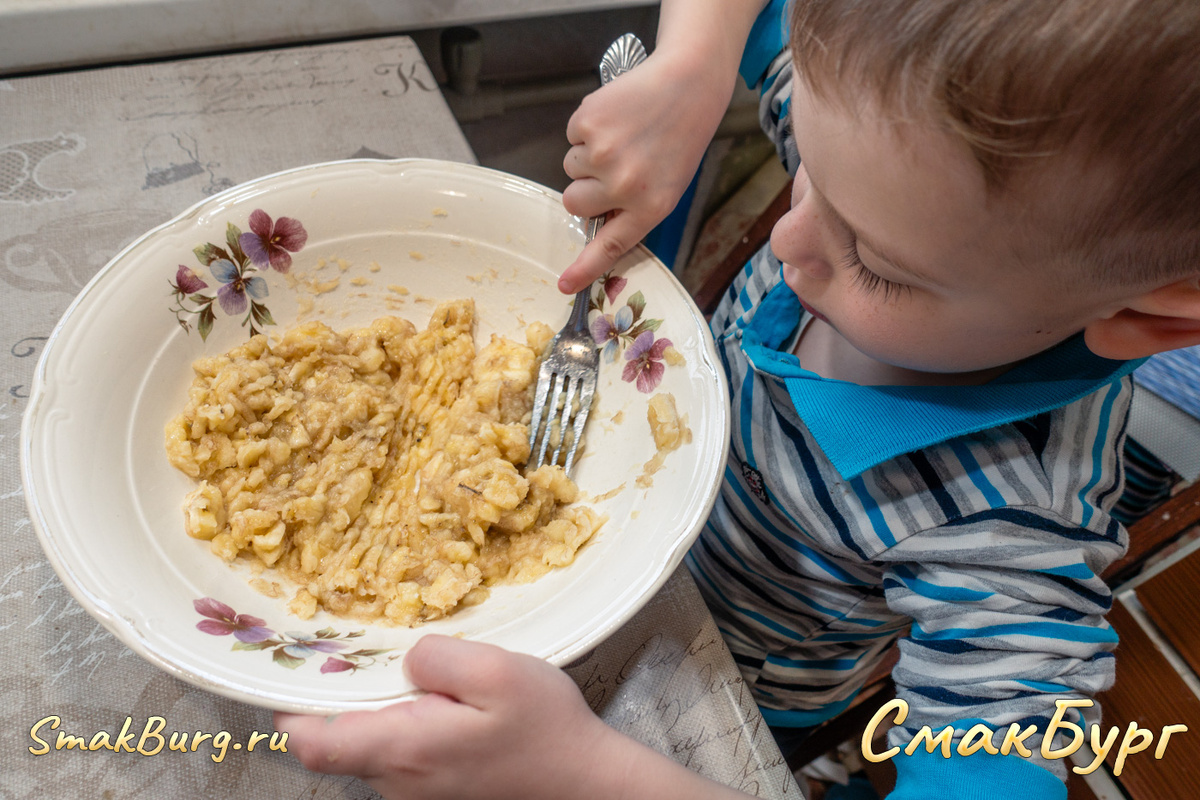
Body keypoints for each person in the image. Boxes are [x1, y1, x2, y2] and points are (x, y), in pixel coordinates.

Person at [274, 1, 1200, 798]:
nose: (791, 242)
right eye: (805, 173)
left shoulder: (1007, 540)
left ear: (1153, 318)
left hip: (727, 690)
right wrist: (694, 67)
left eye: (875, 263)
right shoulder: (889, 137)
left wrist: (584, 777)